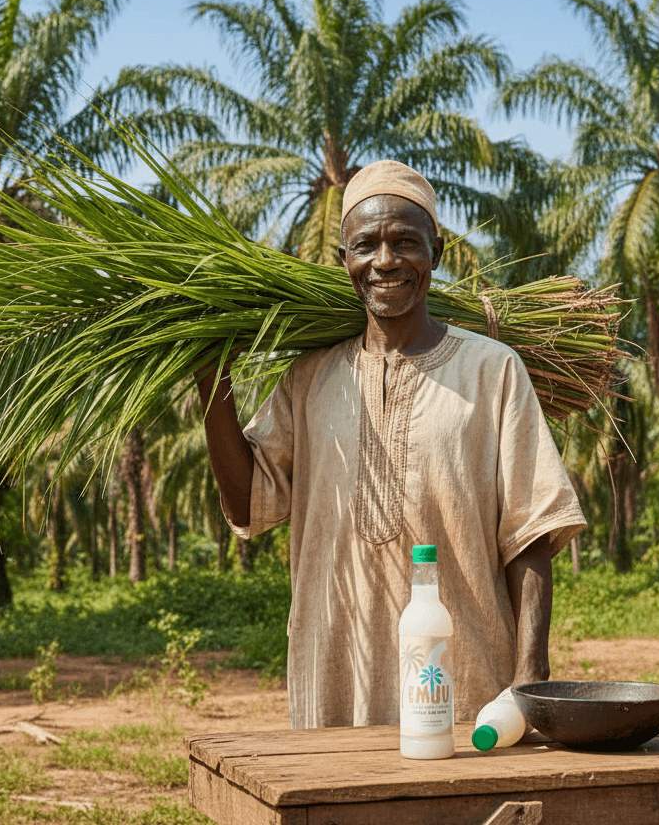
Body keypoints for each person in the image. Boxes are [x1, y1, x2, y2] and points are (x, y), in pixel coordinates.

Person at [197, 159, 586, 729]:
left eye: (406, 241)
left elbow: (529, 532)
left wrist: (530, 674)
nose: (385, 261)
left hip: (465, 684)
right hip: (335, 681)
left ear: (438, 250)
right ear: (344, 261)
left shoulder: (492, 370)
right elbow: (247, 505)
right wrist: (212, 379)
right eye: (366, 245)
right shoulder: (310, 377)